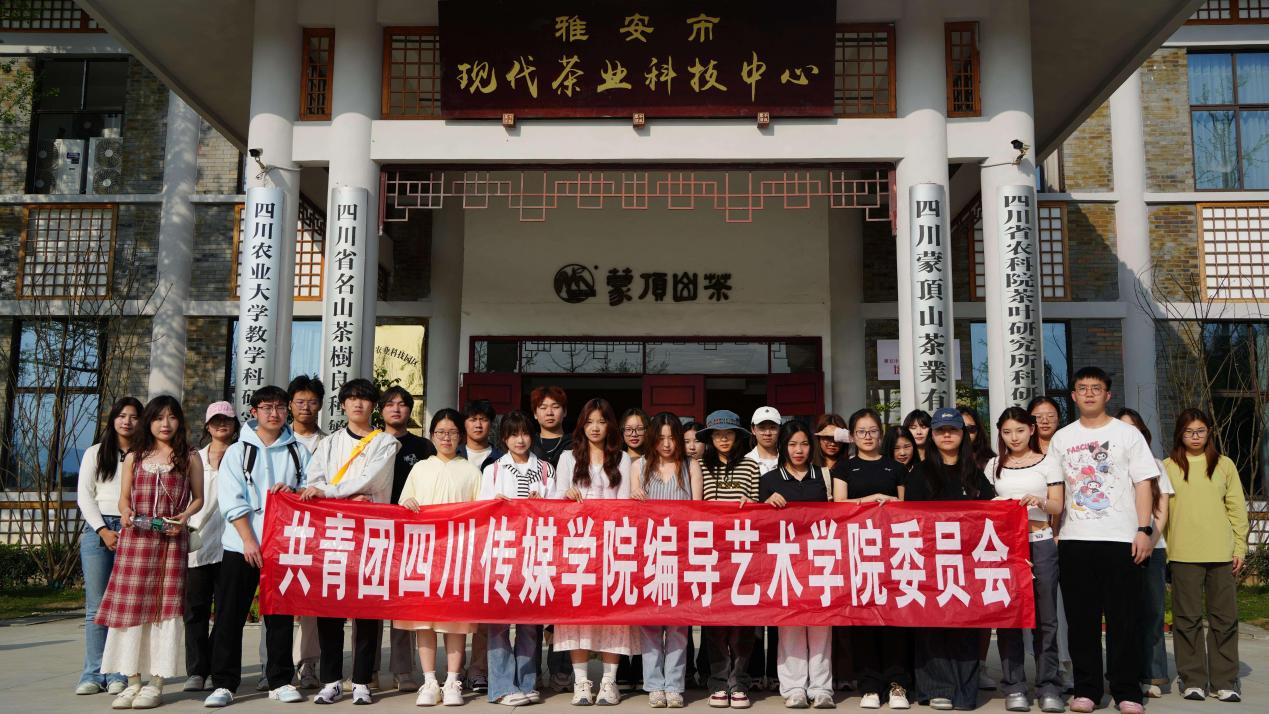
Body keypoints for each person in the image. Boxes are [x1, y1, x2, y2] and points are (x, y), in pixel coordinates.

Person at [1048, 367, 1158, 714]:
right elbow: (1057, 490)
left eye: (1096, 388)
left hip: (1122, 540)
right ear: (1073, 396)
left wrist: (1144, 530)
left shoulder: (1127, 434)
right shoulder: (1062, 438)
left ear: (1108, 395)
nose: (1089, 393)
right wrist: (1056, 534)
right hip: (1076, 540)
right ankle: (1087, 689)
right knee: (1081, 622)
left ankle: (1127, 691)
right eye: (1083, 388)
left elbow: (1144, 484)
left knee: (1124, 620)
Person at [202, 386, 309, 707]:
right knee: (229, 616)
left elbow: (311, 490)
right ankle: (224, 684)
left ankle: (280, 680)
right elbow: (231, 499)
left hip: (282, 547)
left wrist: (294, 491)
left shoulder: (299, 451)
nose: (274, 413)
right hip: (241, 546)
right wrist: (248, 539)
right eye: (266, 407)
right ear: (254, 412)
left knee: (279, 617)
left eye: (279, 407)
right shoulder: (238, 451)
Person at [98, 395, 205, 710]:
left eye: (171, 417)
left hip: (170, 543)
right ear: (150, 421)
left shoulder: (189, 456)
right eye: (158, 418)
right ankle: (132, 682)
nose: (165, 424)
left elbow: (198, 498)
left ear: (180, 421)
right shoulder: (135, 455)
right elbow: (123, 498)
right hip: (136, 541)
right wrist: (126, 512)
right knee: (129, 610)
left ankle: (156, 683)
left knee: (163, 611)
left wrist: (184, 518)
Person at [300, 378, 401, 706]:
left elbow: (373, 480)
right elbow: (314, 481)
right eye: (352, 399)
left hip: (371, 534)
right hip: (334, 533)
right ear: (342, 405)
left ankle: (361, 681)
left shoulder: (385, 443)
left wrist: (331, 493)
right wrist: (344, 497)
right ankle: (330, 680)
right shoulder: (328, 444)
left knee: (367, 609)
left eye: (364, 399)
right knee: (329, 607)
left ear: (373, 406)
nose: (358, 404)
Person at [904, 407, 995, 712]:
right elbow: (910, 520)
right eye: (940, 430)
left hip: (967, 564)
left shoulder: (975, 474)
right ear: (932, 435)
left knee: (966, 625)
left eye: (953, 430)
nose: (946, 435)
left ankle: (965, 689)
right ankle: (937, 688)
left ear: (962, 435)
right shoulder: (921, 473)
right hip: (930, 562)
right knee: (931, 625)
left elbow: (994, 513)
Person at [551, 398, 636, 706]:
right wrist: (566, 495)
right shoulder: (567, 458)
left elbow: (625, 505)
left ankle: (609, 682)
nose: (595, 427)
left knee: (613, 614)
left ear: (610, 425)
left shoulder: (622, 460)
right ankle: (582, 682)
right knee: (577, 614)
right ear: (581, 426)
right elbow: (555, 500)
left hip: (612, 547)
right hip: (577, 546)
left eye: (601, 421)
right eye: (589, 422)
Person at [396, 408, 481, 707]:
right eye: (441, 432)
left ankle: (453, 680)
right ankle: (430, 680)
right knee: (424, 621)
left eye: (452, 432)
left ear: (461, 436)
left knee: (455, 621)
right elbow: (403, 504)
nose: (446, 438)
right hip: (424, 555)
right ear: (431, 436)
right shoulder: (420, 468)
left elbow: (482, 514)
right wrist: (407, 503)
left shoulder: (471, 471)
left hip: (458, 557)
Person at [1163, 408, 1248, 703]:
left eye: (1200, 431)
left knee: (1224, 619)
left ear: (1209, 432)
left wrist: (1240, 547)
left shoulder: (1224, 465)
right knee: (1186, 619)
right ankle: (1193, 679)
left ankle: (1224, 681)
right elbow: (1161, 513)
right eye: (1189, 432)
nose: (1195, 437)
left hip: (1221, 553)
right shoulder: (1168, 467)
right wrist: (1164, 551)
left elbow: (1236, 508)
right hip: (1183, 554)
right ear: (1180, 435)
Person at [983, 407, 1065, 714]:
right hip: (1005, 547)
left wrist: (1040, 500)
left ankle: (1049, 685)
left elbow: (1057, 505)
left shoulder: (1049, 461)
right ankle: (1014, 684)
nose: (1014, 437)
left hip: (1040, 540)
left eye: (1019, 430)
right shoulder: (994, 465)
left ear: (1031, 429)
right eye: (1007, 432)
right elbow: (983, 504)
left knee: (1046, 617)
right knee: (1010, 615)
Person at [831, 409, 909, 711]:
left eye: (872, 430)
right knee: (863, 618)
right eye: (861, 431)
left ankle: (897, 683)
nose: (867, 436)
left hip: (893, 551)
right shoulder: (844, 468)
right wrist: (870, 500)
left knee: (894, 618)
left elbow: (906, 507)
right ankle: (869, 685)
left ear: (881, 433)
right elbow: (839, 506)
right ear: (852, 436)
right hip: (858, 551)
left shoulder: (896, 467)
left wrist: (891, 501)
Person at [481, 410, 556, 706]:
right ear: (504, 439)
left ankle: (526, 681)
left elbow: (557, 512)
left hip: (536, 551)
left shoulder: (546, 470)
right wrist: (495, 505)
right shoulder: (493, 471)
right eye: (513, 434)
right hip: (502, 552)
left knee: (529, 621)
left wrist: (542, 504)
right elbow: (482, 512)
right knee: (499, 622)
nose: (520, 440)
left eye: (524, 433)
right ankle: (501, 687)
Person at [631, 413, 704, 709]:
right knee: (649, 624)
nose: (666, 444)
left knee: (677, 624)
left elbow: (698, 511)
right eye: (660, 438)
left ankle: (674, 684)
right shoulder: (639, 466)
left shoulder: (691, 466)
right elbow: (631, 514)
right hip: (649, 552)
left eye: (671, 438)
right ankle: (653, 684)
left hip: (681, 552)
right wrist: (634, 497)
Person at [761, 421, 835, 710]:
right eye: (792, 444)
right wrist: (765, 503)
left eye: (804, 444)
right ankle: (793, 688)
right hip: (785, 560)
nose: (799, 450)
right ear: (783, 447)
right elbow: (757, 521)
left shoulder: (823, 476)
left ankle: (821, 688)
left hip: (820, 558)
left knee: (820, 625)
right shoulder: (769, 480)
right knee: (790, 624)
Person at [76, 396, 142, 696]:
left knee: (123, 607)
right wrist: (103, 530)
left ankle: (118, 673)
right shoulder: (95, 453)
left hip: (132, 528)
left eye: (134, 416)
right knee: (97, 607)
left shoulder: (144, 455)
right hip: (97, 529)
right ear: (113, 419)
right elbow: (84, 496)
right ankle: (92, 674)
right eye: (122, 415)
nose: (127, 421)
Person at [697, 409, 762, 709]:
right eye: (718, 434)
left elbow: (758, 507)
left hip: (743, 551)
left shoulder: (751, 466)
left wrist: (750, 504)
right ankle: (718, 683)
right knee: (715, 623)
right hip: (711, 552)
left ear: (737, 436)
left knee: (743, 623)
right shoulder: (700, 466)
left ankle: (739, 682)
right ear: (710, 438)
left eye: (729, 434)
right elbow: (695, 506)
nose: (723, 439)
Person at [378, 386, 437, 693]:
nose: (396, 409)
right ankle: (367, 671)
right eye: (390, 404)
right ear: (381, 410)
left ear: (410, 410)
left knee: (405, 602)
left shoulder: (423, 446)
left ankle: (403, 670)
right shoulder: (370, 443)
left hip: (412, 535)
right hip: (374, 531)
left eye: (402, 404)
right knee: (370, 602)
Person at [1114, 407, 1173, 699]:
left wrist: (1149, 539)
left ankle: (1153, 673)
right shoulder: (1109, 466)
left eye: (1133, 429)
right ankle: (1123, 673)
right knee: (1122, 614)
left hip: (1152, 547)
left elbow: (1161, 511)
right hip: (1117, 545)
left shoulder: (1156, 465)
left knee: (1152, 611)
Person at [183, 402, 237, 694]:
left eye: (226, 419)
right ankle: (196, 670)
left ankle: (217, 668)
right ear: (207, 425)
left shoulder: (242, 456)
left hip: (232, 544)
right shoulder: (193, 459)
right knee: (195, 610)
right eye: (216, 420)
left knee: (227, 612)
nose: (221, 425)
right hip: (198, 543)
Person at [528, 386, 575, 693]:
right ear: (535, 413)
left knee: (563, 604)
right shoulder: (525, 442)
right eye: (543, 407)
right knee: (533, 603)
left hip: (567, 535)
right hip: (532, 537)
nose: (549, 411)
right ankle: (531, 672)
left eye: (555, 406)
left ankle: (562, 671)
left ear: (564, 412)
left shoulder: (575, 445)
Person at [285, 374, 325, 690]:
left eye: (312, 402)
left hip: (317, 532)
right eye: (300, 402)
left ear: (321, 405)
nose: (306, 407)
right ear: (290, 405)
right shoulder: (278, 440)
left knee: (312, 599)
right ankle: (276, 666)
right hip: (283, 529)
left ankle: (308, 663)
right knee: (280, 597)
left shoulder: (329, 443)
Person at [745, 406, 782, 693]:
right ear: (753, 429)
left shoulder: (790, 459)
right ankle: (755, 671)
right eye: (762, 427)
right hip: (754, 544)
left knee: (780, 611)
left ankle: (777, 672)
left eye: (772, 427)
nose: (767, 432)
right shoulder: (745, 462)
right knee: (756, 612)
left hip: (783, 544)